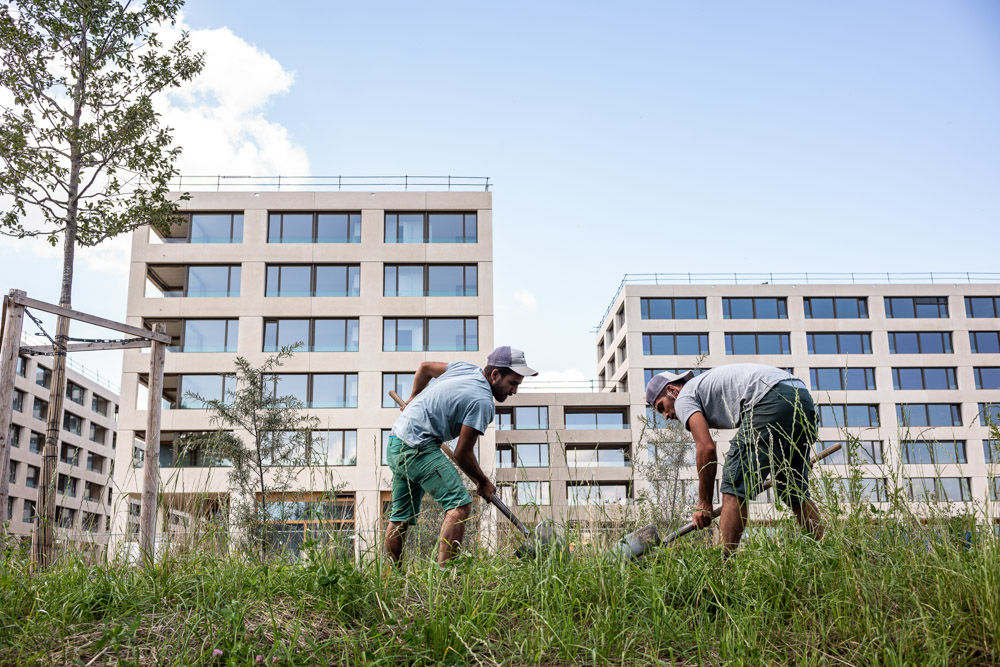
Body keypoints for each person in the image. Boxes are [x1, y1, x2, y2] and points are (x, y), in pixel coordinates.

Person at [645, 363, 823, 555]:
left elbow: (706, 448)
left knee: (734, 483)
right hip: (801, 396)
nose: (665, 416)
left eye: (661, 407)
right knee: (792, 488)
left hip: (770, 397)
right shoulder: (701, 386)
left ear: (672, 390)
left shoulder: (684, 397)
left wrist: (704, 503)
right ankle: (826, 553)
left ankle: (727, 571)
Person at [384, 346, 538, 567]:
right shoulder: (482, 402)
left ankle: (391, 581)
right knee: (459, 505)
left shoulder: (465, 369)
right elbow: (462, 453)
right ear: (495, 375)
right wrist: (483, 481)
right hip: (417, 447)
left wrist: (413, 399)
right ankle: (446, 580)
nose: (514, 391)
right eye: (512, 383)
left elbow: (425, 368)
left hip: (396, 441)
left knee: (400, 517)